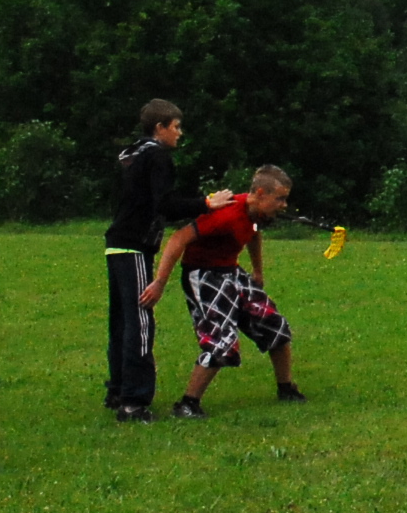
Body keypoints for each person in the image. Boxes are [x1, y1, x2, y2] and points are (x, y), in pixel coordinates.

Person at [145, 164, 305, 418]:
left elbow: (253, 233)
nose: (284, 205)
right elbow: (178, 239)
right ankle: (187, 404)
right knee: (222, 341)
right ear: (260, 193)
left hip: (231, 271)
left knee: (275, 326)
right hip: (204, 275)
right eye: (280, 198)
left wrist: (257, 271)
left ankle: (286, 389)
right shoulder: (226, 214)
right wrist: (159, 282)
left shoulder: (254, 214)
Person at [104, 99, 218, 423]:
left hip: (116, 245)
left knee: (122, 322)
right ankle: (133, 402)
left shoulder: (134, 153)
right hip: (134, 246)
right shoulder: (157, 156)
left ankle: (117, 390)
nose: (179, 133)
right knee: (140, 322)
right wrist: (207, 203)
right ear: (160, 127)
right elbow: (165, 205)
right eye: (176, 127)